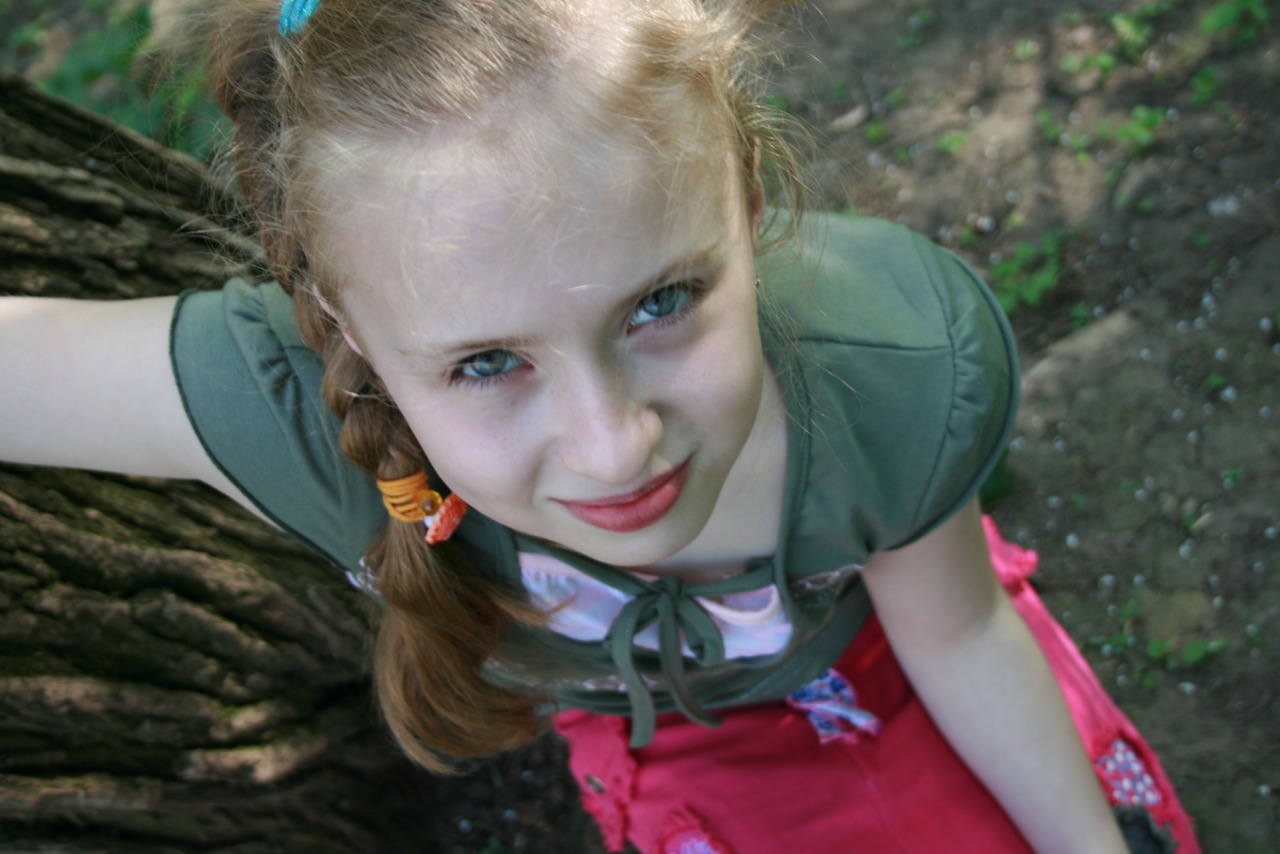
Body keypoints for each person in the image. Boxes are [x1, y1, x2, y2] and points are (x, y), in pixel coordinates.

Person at [0, 0, 1201, 851]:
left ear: (744, 197)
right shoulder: (294, 411)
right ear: (346, 325)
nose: (614, 444)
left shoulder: (881, 380)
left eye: (660, 304)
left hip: (885, 657)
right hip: (666, 756)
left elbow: (959, 632)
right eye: (485, 363)